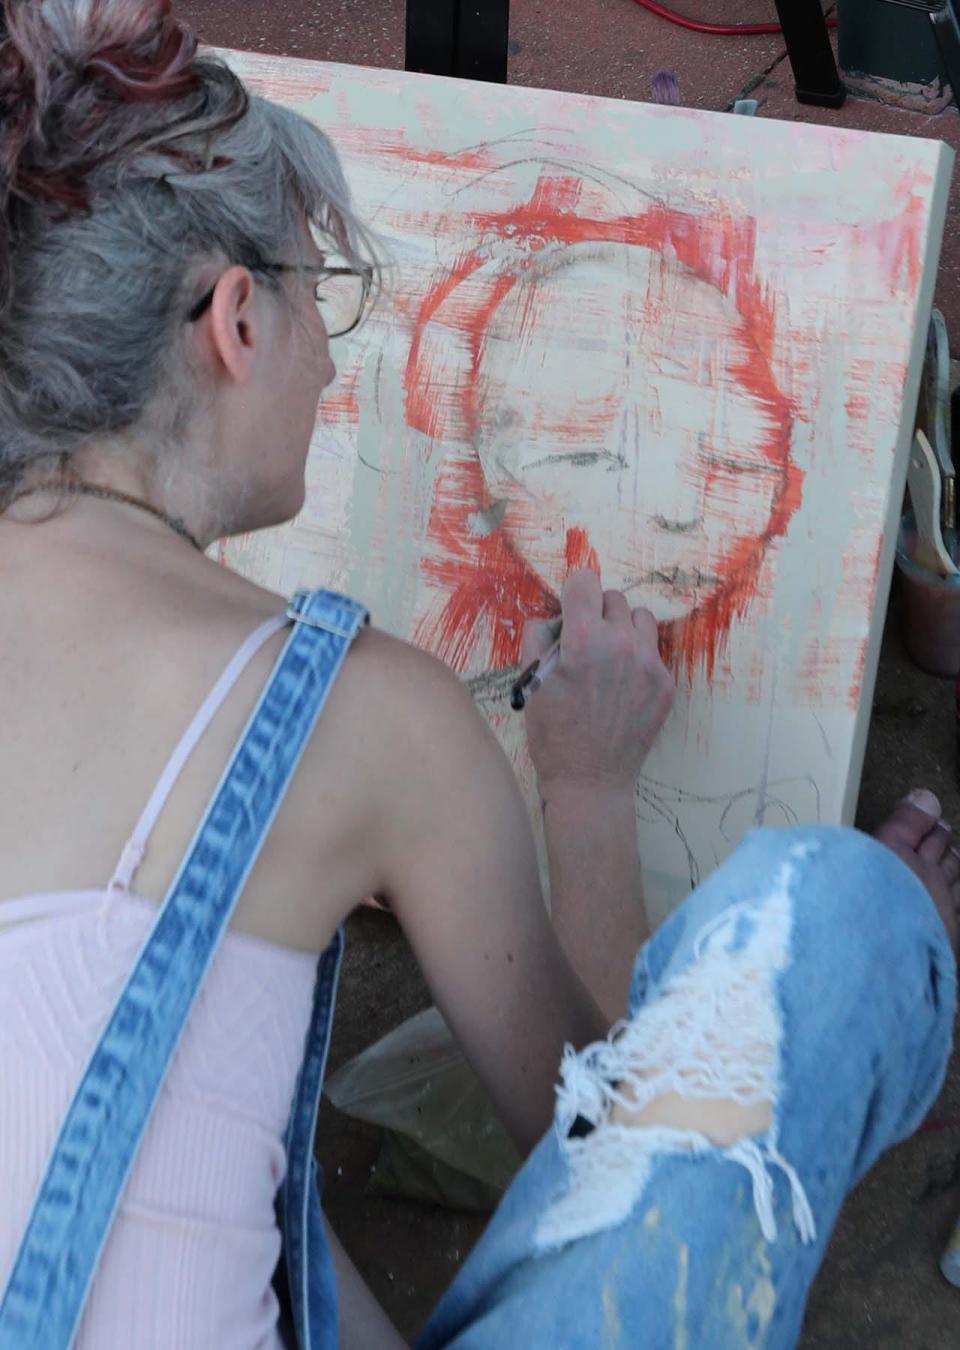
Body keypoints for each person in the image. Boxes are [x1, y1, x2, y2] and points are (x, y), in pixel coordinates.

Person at [0, 4, 957, 1348]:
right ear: (236, 323)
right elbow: (605, 1139)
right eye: (319, 295)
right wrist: (587, 791)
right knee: (839, 910)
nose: (336, 359)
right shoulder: (355, 706)